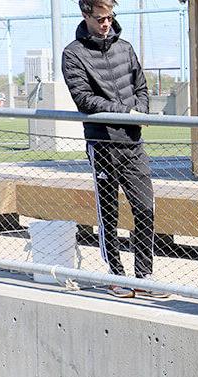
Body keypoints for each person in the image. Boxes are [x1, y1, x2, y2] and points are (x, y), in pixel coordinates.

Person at [62, 0, 166, 298]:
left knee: (145, 207)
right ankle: (116, 275)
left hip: (133, 142)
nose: (106, 24)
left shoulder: (125, 47)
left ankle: (144, 277)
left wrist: (140, 113)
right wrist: (123, 112)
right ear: (86, 15)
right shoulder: (73, 54)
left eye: (109, 17)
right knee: (108, 212)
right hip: (102, 143)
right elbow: (83, 99)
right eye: (99, 19)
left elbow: (141, 87)